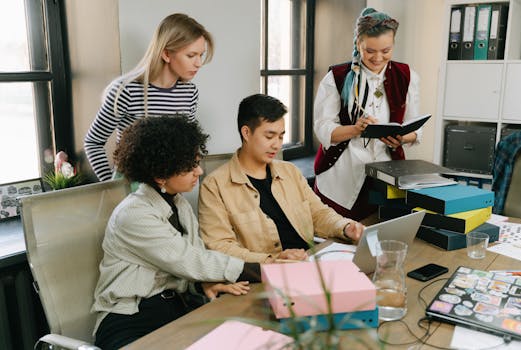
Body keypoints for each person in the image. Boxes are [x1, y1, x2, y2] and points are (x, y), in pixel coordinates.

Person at [92, 115, 260, 350]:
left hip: (175, 311)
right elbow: (189, 259)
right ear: (160, 175)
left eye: (197, 162)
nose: (199, 171)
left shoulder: (179, 204)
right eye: (190, 167)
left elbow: (179, 269)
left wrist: (202, 285)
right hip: (131, 322)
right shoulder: (133, 214)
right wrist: (261, 270)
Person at [198, 94, 364, 264]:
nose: (277, 145)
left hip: (309, 262)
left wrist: (345, 227)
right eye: (269, 137)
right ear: (246, 133)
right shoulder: (215, 186)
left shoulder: (290, 171)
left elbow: (318, 213)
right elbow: (219, 247)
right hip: (264, 276)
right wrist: (273, 260)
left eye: (280, 136)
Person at [313, 7, 421, 221]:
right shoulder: (337, 77)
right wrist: (355, 129)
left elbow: (416, 130)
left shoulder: (407, 76)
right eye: (370, 51)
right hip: (340, 180)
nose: (378, 58)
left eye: (386, 51)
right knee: (334, 243)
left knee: (380, 241)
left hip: (387, 177)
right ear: (357, 44)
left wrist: (402, 138)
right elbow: (322, 128)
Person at [84, 13, 213, 181]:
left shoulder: (189, 93)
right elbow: (93, 142)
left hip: (168, 192)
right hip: (132, 193)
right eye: (191, 55)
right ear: (166, 54)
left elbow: (186, 146)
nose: (198, 63)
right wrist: (114, 189)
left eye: (201, 55)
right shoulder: (126, 91)